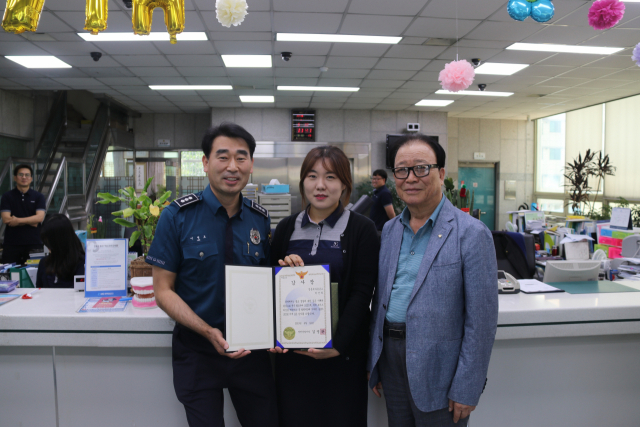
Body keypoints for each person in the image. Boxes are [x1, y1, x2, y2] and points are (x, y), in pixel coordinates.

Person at [146, 122, 277, 427]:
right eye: (223, 156)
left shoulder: (260, 220)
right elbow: (162, 290)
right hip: (198, 351)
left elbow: (265, 283)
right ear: (205, 163)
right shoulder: (176, 217)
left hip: (251, 353)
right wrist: (207, 331)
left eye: (241, 157)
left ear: (251, 165)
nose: (233, 166)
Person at [367, 134, 498, 427]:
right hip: (391, 359)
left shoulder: (471, 234)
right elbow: (381, 300)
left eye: (421, 168)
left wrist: (468, 386)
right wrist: (374, 361)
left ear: (441, 173)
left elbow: (482, 321)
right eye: (401, 170)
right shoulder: (389, 231)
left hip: (441, 370)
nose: (410, 178)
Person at [270, 146, 380, 427]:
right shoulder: (285, 229)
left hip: (342, 359)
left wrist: (338, 345)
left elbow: (362, 292)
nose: (320, 185)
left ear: (344, 184)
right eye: (312, 176)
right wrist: (284, 272)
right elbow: (272, 290)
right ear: (302, 182)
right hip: (293, 361)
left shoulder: (361, 229)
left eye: (330, 177)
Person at [1, 164, 46, 264]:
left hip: (34, 243)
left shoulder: (38, 196)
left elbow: (39, 218)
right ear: (15, 178)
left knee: (34, 274)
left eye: (27, 175)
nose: (24, 177)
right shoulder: (7, 196)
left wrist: (17, 221)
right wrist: (31, 221)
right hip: (11, 244)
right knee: (8, 275)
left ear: (31, 178)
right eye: (21, 174)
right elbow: (6, 219)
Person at [36, 214, 85, 288]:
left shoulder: (82, 263)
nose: (46, 245)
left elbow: (78, 293)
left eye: (49, 242)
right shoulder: (44, 263)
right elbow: (39, 291)